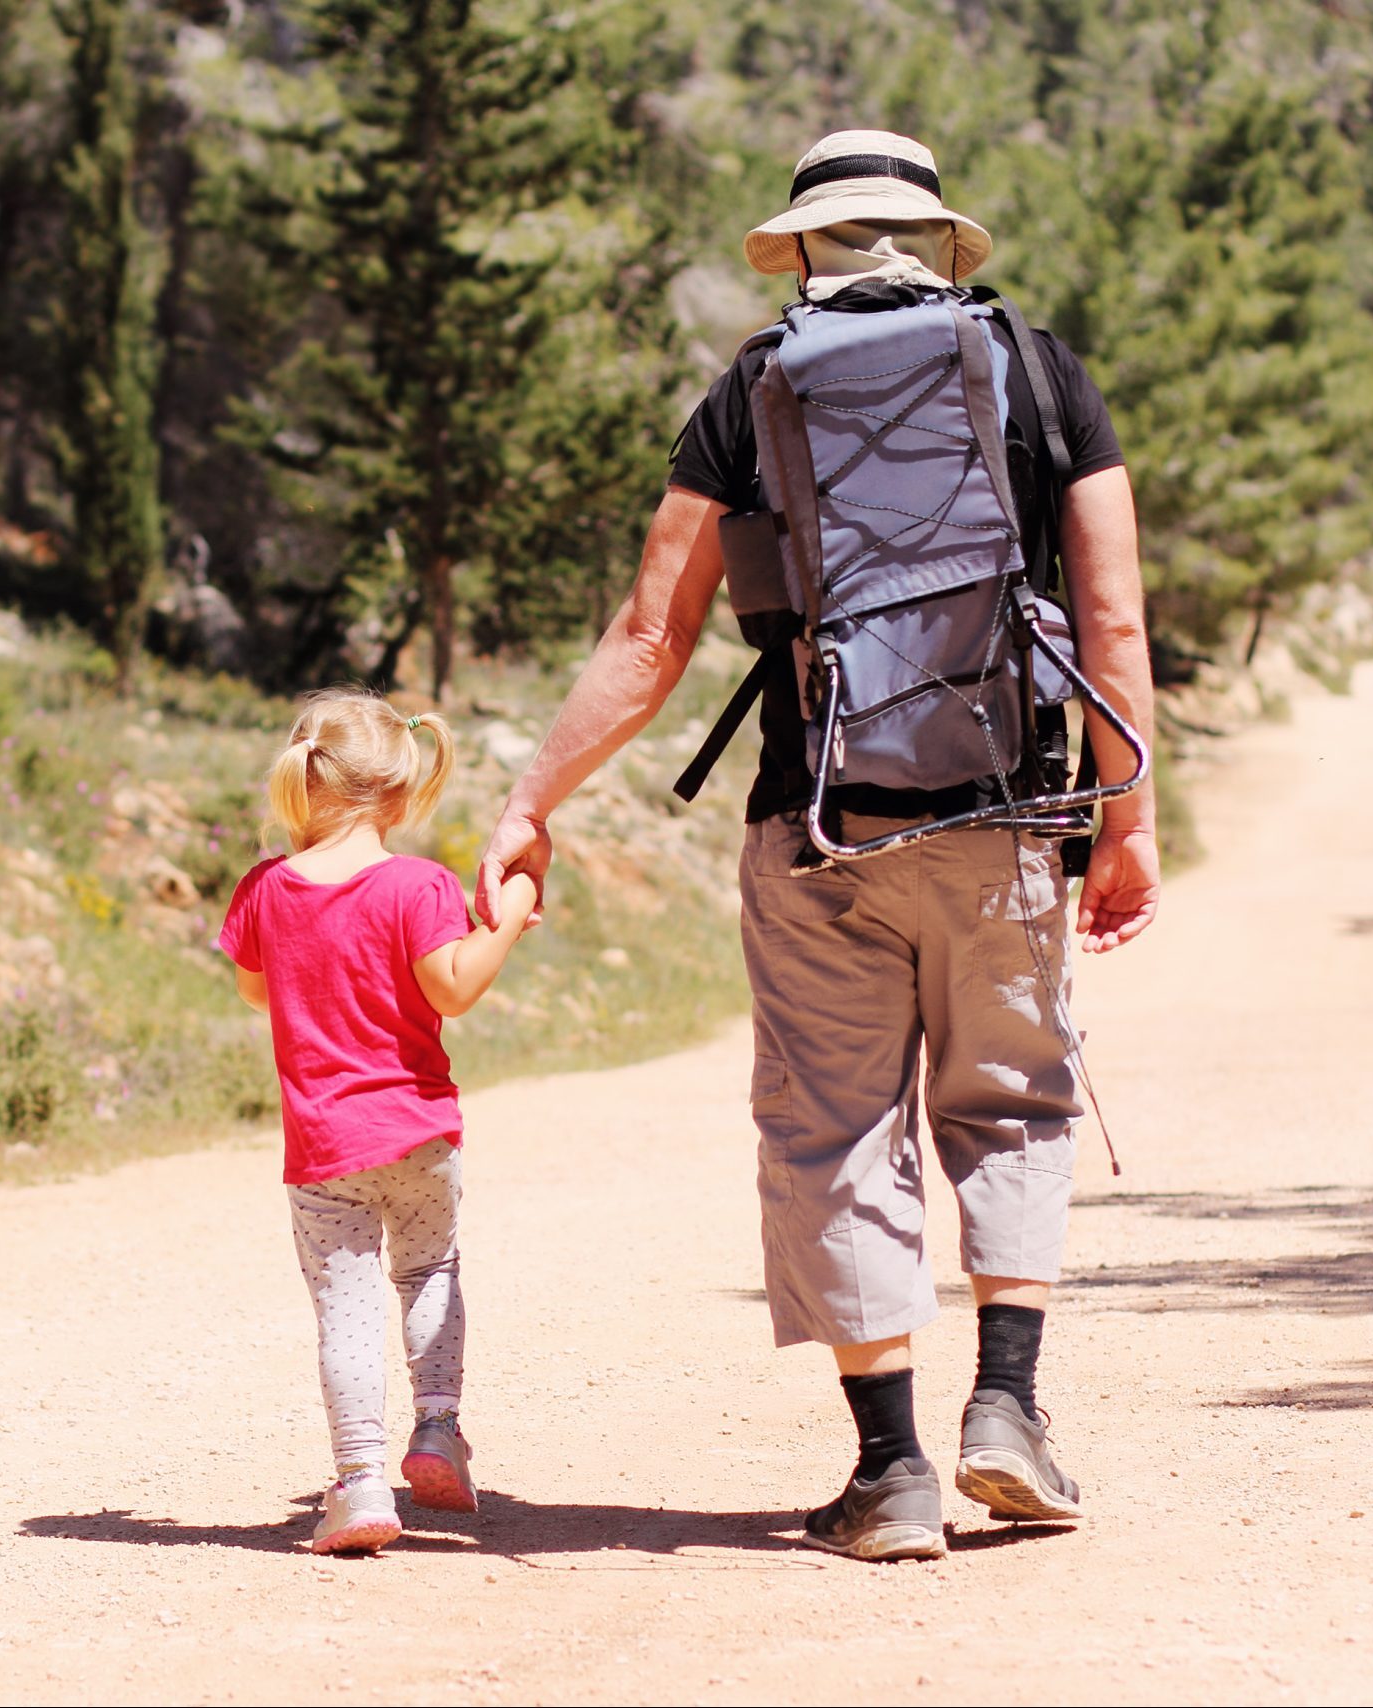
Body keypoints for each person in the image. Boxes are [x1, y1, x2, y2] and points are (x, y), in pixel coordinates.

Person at [477, 130, 1160, 1561]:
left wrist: (531, 799)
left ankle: (891, 1470)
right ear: (933, 235)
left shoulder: (751, 391)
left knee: (835, 1128)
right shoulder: (1039, 370)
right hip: (1008, 816)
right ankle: (1010, 1413)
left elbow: (653, 633)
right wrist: (1128, 820)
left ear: (803, 246)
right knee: (1016, 1104)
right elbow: (1112, 626)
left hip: (817, 825)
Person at [221, 687, 536, 1555]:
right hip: (422, 1136)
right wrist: (506, 919)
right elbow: (455, 988)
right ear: (400, 793)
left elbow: (254, 987)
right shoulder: (419, 884)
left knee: (346, 1306)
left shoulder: (266, 889)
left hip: (324, 1149)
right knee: (428, 1271)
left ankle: (360, 1484)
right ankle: (437, 1430)